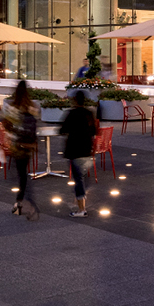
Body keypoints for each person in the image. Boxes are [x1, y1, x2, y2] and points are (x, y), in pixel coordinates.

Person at [58, 77, 101, 213]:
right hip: (87, 150)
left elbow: (62, 130)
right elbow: (95, 131)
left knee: (78, 180)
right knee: (82, 177)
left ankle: (81, 209)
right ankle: (81, 198)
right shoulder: (89, 114)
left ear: (75, 100)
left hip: (75, 151)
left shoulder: (72, 114)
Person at [2, 87, 43, 217]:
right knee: (23, 176)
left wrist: (10, 136)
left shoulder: (13, 108)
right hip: (28, 146)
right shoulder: (31, 107)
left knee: (21, 176)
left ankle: (26, 203)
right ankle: (20, 203)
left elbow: (6, 124)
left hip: (17, 146)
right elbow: (36, 121)